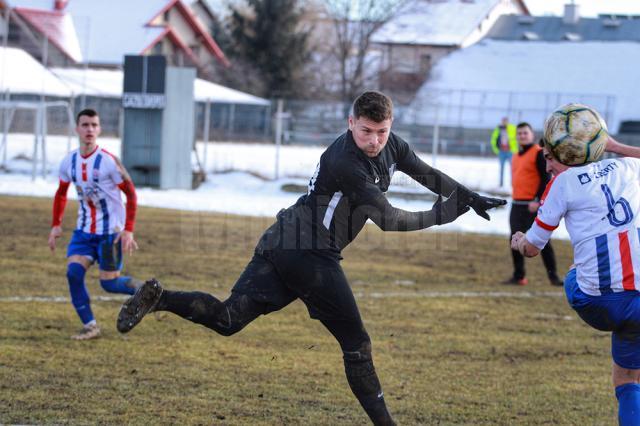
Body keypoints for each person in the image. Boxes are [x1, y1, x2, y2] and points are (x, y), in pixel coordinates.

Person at [117, 91, 506, 425]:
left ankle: (160, 298)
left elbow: (425, 172)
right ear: (350, 122)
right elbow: (389, 220)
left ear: (390, 126)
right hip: (310, 255)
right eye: (366, 131)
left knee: (228, 318)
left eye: (381, 132)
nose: (374, 140)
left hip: (283, 239)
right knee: (357, 344)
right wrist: (446, 213)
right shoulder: (345, 163)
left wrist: (468, 196)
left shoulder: (392, 145)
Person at [511, 137, 640, 425]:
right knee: (630, 377)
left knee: (576, 273)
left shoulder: (563, 183)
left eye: (549, 158)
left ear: (568, 154)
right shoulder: (627, 167)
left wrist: (519, 241)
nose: (546, 166)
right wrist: (615, 146)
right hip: (639, 300)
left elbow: (533, 248)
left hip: (597, 300)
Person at [48, 108, 141, 341]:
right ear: (77, 129)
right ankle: (91, 326)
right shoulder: (69, 161)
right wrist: (56, 224)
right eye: (85, 125)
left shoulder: (109, 162)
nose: (89, 129)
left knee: (108, 284)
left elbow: (131, 194)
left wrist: (128, 228)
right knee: (73, 273)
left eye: (94, 125)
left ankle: (146, 291)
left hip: (110, 233)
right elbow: (61, 193)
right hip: (83, 231)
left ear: (99, 129)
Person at [504, 123, 561, 286]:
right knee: (514, 240)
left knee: (541, 240)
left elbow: (546, 178)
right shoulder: (515, 155)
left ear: (532, 134)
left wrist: (537, 199)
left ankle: (553, 277)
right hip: (517, 204)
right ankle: (519, 276)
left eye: (525, 133)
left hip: (532, 205)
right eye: (519, 133)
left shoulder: (538, 153)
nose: (522, 136)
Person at [490, 116, 518, 188]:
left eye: (505, 121)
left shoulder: (512, 128)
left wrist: (515, 150)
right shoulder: (498, 129)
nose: (504, 122)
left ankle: (513, 184)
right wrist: (496, 150)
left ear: (508, 121)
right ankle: (501, 184)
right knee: (502, 168)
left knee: (512, 169)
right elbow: (493, 139)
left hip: (510, 152)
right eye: (503, 121)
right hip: (501, 152)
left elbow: (517, 139)